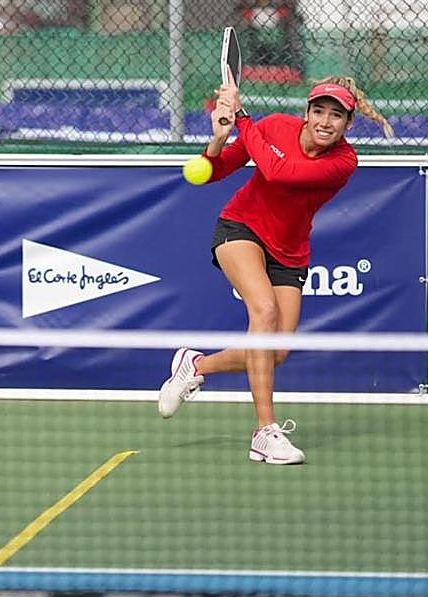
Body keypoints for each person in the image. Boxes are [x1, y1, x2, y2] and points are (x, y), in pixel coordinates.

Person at [157, 76, 393, 465]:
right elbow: (215, 170)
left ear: (348, 124)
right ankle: (265, 432)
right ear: (307, 112)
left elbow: (280, 171)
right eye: (319, 111)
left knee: (277, 351)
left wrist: (242, 116)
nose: (325, 121)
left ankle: (195, 365)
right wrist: (219, 137)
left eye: (336, 116)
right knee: (263, 310)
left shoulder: (344, 162)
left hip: (290, 250)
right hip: (241, 228)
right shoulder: (274, 126)